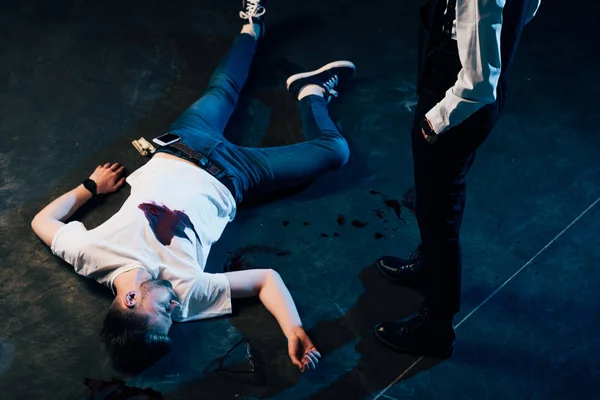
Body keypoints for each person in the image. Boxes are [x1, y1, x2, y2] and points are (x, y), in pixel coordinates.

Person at [31, 0, 356, 373]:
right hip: (237, 176)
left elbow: (41, 222)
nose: (174, 312)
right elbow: (266, 280)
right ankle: (311, 92)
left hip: (185, 146)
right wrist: (294, 329)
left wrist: (90, 186)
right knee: (336, 151)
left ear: (132, 300)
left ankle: (252, 27)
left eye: (162, 315)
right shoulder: (185, 297)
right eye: (172, 318)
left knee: (224, 89)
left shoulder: (91, 256)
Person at [374, 0, 542, 357]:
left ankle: (435, 326)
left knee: (438, 214)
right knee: (440, 197)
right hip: (467, 88)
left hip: (457, 98)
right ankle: (428, 266)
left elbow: (480, 83)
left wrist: (436, 121)